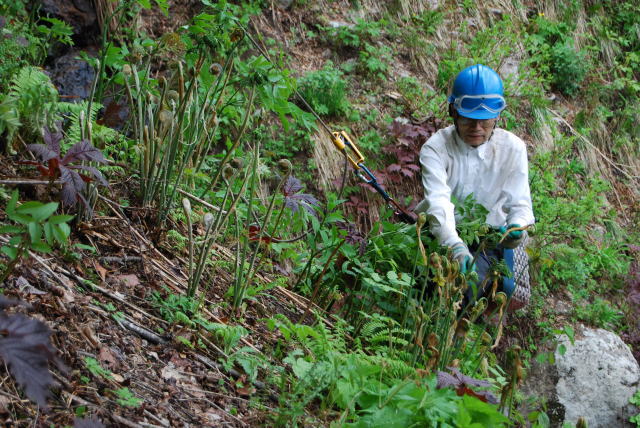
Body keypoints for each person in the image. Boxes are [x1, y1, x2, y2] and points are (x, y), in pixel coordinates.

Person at [415, 64, 535, 309]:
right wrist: (455, 246)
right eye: (469, 119)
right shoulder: (436, 148)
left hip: (487, 238)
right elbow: (438, 202)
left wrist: (517, 230)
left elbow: (521, 204)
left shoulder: (512, 148)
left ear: (497, 117)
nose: (477, 128)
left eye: (485, 121)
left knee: (472, 287)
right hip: (440, 232)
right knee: (426, 289)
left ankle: (461, 336)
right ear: (454, 112)